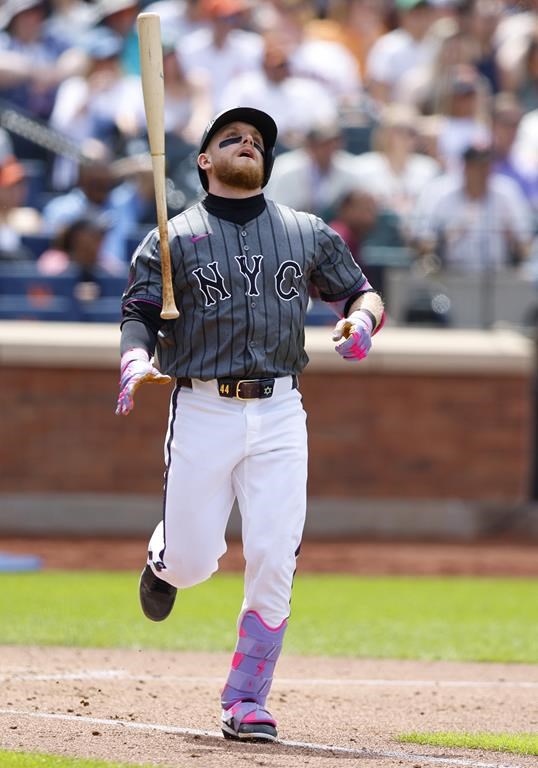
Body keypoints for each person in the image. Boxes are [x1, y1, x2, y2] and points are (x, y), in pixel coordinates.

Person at [115, 106, 384, 742]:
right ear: (204, 160)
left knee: (273, 555)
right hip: (203, 404)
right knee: (192, 562)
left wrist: (362, 321)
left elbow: (360, 292)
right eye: (231, 138)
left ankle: (246, 700)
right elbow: (139, 312)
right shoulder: (171, 235)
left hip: (281, 409)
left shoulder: (306, 231)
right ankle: (161, 560)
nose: (247, 144)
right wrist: (133, 356)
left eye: (257, 140)